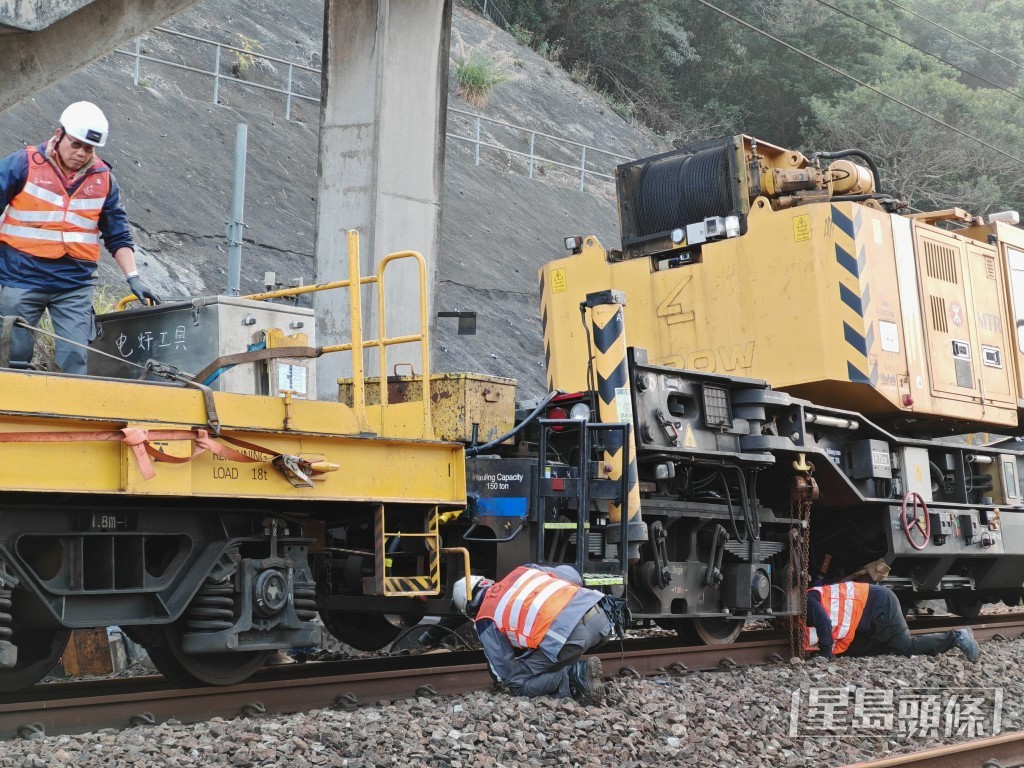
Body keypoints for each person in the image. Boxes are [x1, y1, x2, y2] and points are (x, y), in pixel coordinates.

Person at [0, 101, 160, 374]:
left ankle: (63, 416)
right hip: (20, 277)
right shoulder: (22, 164)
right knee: (13, 357)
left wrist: (134, 277)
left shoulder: (103, 180)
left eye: (88, 148)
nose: (80, 153)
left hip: (73, 284)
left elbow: (117, 235)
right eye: (75, 144)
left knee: (74, 359)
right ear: (58, 134)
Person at [453, 565, 625, 704]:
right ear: (485, 583)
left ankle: (573, 675)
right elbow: (574, 575)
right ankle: (573, 675)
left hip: (571, 636)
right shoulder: (523, 571)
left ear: (469, 609)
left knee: (517, 684)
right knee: (548, 652)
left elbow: (504, 673)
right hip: (603, 617)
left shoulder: (485, 617)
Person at [806, 581, 980, 662]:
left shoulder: (808, 600)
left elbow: (824, 622)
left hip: (880, 605)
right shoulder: (810, 598)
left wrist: (824, 653)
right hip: (868, 614)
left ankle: (957, 637)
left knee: (907, 647)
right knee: (852, 650)